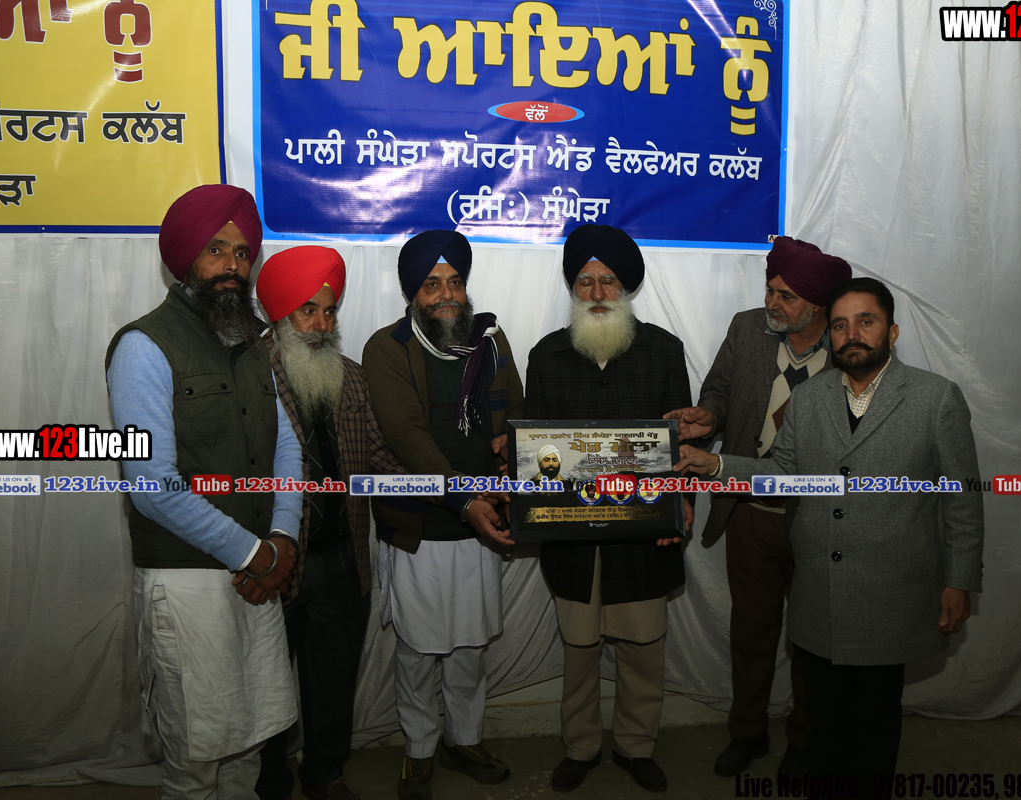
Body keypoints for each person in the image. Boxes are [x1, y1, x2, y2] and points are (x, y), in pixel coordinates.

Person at [674, 277, 984, 798]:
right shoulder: (810, 397)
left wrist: (960, 580)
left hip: (891, 596)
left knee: (872, 733)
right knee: (824, 733)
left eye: (866, 321)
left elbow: (963, 500)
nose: (851, 334)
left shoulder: (935, 399)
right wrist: (717, 465)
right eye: (840, 325)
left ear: (892, 332)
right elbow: (782, 473)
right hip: (819, 593)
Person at [105, 184, 302, 799]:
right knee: (195, 764)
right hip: (189, 582)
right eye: (216, 250)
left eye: (242, 253)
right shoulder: (142, 346)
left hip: (257, 578)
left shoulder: (251, 343)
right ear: (184, 257)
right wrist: (257, 554)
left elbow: (286, 449)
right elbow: (151, 486)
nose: (232, 265)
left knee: (247, 749)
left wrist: (283, 536)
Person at [664, 236, 852, 776]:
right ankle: (746, 734)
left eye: (786, 296)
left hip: (819, 518)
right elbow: (719, 392)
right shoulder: (747, 328)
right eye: (770, 290)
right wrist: (709, 416)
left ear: (819, 304)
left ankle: (805, 742)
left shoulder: (849, 347)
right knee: (751, 633)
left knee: (815, 639)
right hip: (749, 510)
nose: (772, 303)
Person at [523, 224, 692, 794]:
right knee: (579, 649)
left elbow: (682, 442)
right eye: (585, 281)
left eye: (608, 280)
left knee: (644, 648)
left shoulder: (664, 351)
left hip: (643, 532)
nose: (596, 293)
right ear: (573, 289)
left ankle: (636, 746)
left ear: (627, 287)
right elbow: (534, 452)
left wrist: (679, 507)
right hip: (574, 535)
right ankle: (581, 746)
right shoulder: (546, 355)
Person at [361, 230, 523, 800]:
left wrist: (510, 447)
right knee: (419, 648)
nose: (446, 295)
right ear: (413, 293)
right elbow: (407, 437)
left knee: (471, 644)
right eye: (432, 285)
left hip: (483, 520)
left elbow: (516, 410)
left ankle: (465, 739)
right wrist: (462, 499)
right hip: (422, 524)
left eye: (455, 282)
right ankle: (420, 750)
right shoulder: (387, 348)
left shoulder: (490, 342)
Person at [252, 245, 405, 800]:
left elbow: (382, 457)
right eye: (307, 311)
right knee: (265, 683)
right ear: (279, 313)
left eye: (329, 311)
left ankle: (324, 773)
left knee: (334, 679)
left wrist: (454, 489)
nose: (321, 325)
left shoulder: (352, 378)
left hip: (344, 557)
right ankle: (267, 781)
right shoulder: (248, 375)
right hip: (274, 560)